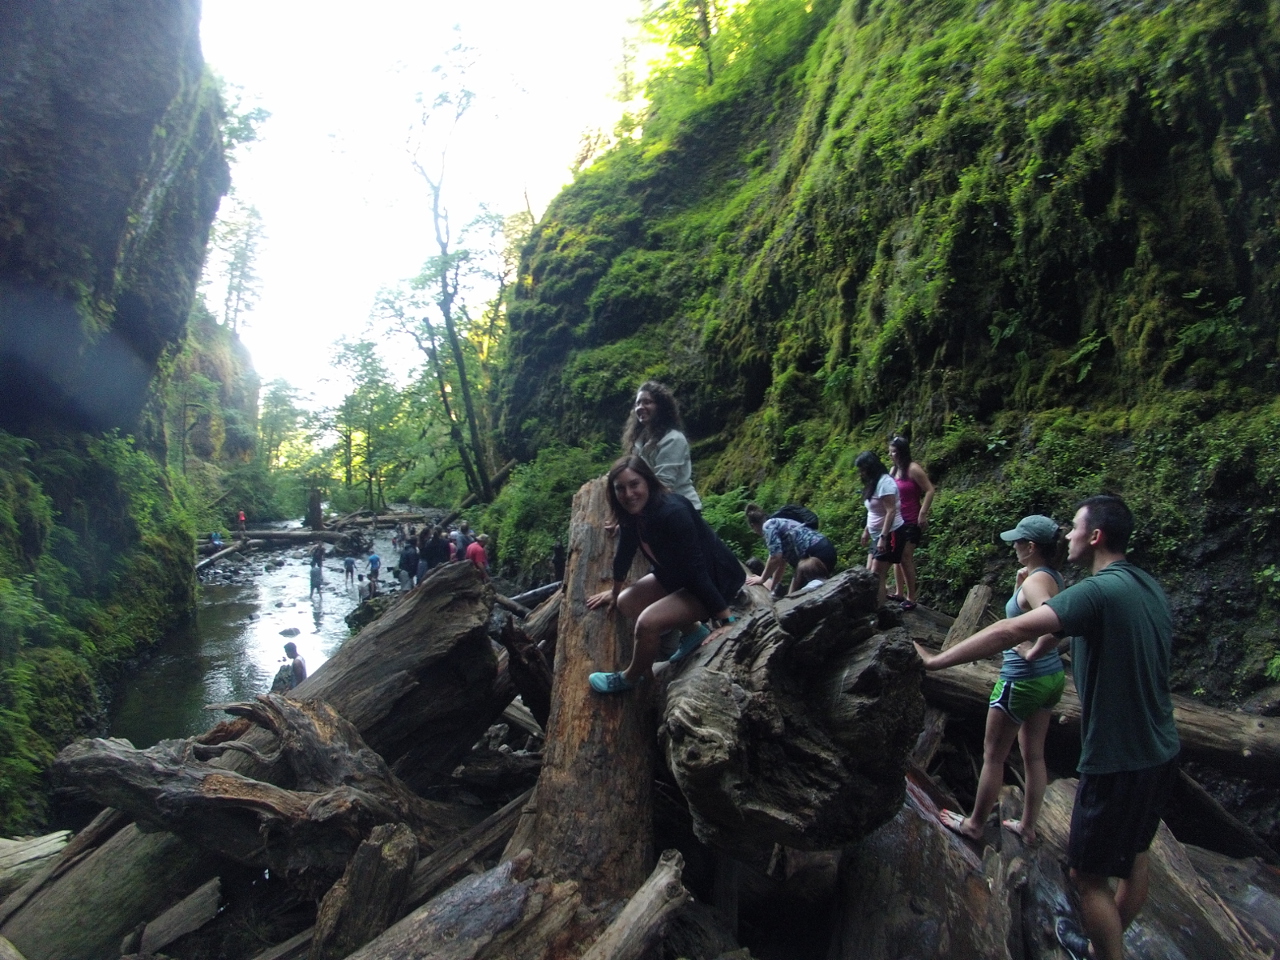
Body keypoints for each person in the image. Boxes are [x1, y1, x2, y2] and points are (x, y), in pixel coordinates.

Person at [913, 496, 1179, 960]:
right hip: (1162, 746)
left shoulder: (1097, 590)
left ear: (1095, 537)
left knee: (1086, 876)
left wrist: (937, 661)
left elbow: (1010, 632)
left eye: (1075, 527)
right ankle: (1104, 945)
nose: (1068, 534)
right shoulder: (1144, 585)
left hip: (1117, 757)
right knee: (1136, 857)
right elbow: (1065, 634)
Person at [929, 515, 1067, 846]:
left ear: (1031, 547)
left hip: (1022, 679)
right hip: (1052, 679)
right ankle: (1028, 826)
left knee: (993, 755)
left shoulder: (1036, 583)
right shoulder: (1051, 576)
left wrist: (1031, 650)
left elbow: (1057, 625)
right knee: (1034, 755)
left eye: (1018, 542)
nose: (1013, 547)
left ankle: (975, 824)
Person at [585, 456, 744, 693]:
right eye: (620, 488)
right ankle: (693, 631)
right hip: (677, 575)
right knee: (626, 602)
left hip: (717, 579)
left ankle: (630, 678)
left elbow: (697, 570)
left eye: (634, 484)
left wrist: (726, 621)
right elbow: (623, 556)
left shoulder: (673, 512)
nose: (628, 494)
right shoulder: (632, 516)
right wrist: (614, 592)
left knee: (647, 624)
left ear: (648, 482)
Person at [622, 380, 701, 510]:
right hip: (656, 506)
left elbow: (664, 484)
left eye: (647, 402)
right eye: (638, 403)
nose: (640, 407)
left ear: (661, 407)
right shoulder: (639, 440)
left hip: (681, 509)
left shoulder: (673, 439)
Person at [744, 504, 837, 594]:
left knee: (803, 593)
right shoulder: (777, 523)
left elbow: (775, 558)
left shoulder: (768, 526)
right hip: (825, 549)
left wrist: (762, 579)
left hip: (815, 555)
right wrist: (773, 589)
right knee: (794, 592)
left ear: (753, 526)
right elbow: (780, 563)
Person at [888, 436, 935, 611]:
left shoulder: (913, 469)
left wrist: (922, 513)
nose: (890, 454)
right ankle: (899, 592)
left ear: (901, 452)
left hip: (911, 519)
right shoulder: (894, 470)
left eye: (893, 451)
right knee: (896, 557)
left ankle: (911, 597)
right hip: (896, 520)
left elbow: (930, 490)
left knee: (905, 557)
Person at [856, 451, 904, 607]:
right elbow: (873, 511)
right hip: (877, 535)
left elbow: (891, 511)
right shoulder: (873, 483)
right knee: (870, 572)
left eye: (863, 469)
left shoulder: (885, 483)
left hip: (891, 533)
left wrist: (883, 537)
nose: (861, 473)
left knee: (877, 574)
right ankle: (874, 606)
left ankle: (879, 609)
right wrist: (866, 531)